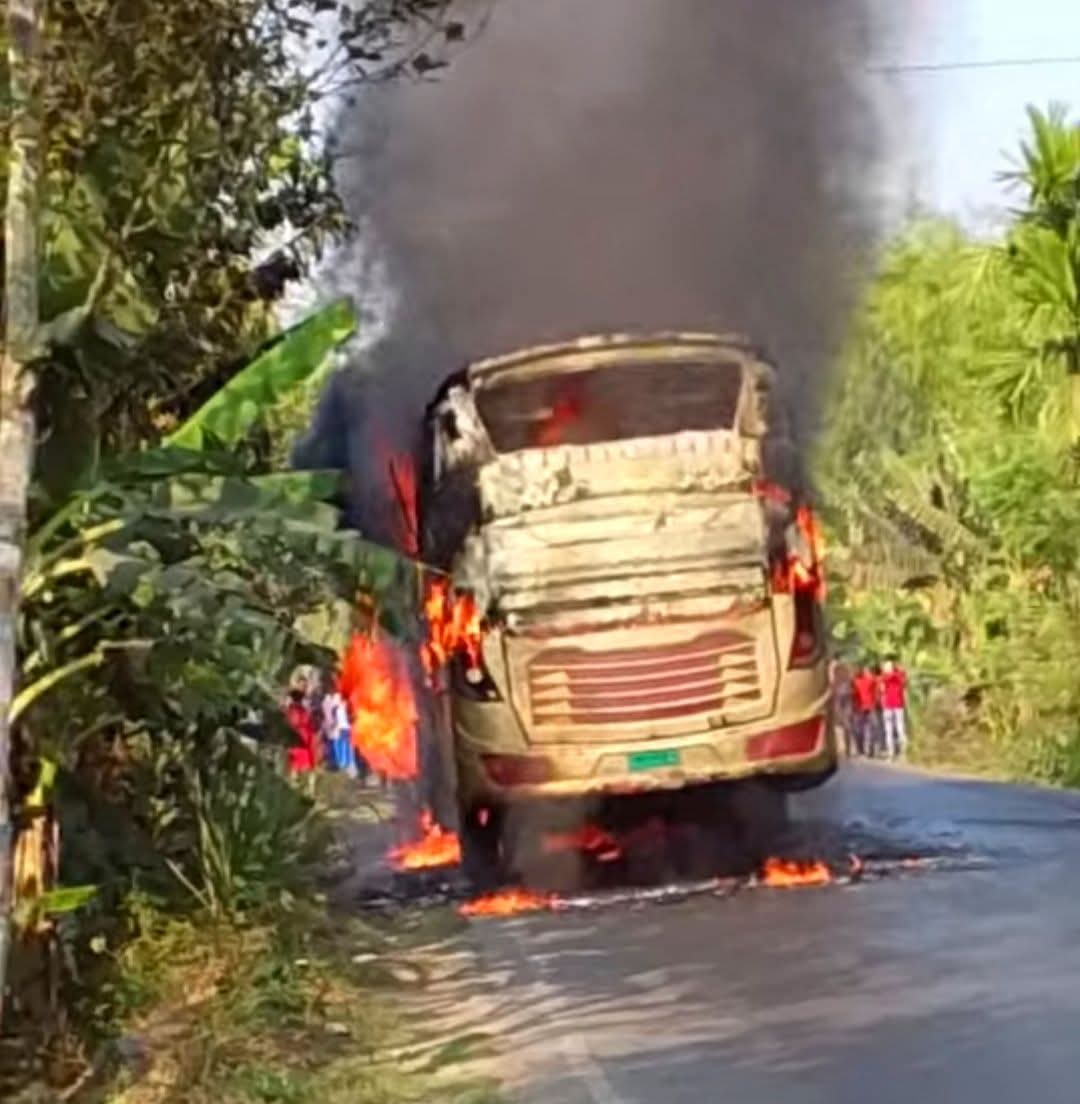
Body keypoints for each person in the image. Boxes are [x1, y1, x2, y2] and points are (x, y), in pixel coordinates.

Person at [878, 657, 908, 760]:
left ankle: (891, 753)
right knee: (900, 728)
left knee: (889, 730)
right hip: (898, 704)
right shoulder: (900, 675)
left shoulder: (883, 677)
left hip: (888, 705)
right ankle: (904, 752)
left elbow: (882, 691)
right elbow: (904, 684)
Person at [850, 662, 879, 758]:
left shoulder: (858, 681)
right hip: (863, 707)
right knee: (864, 729)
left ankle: (866, 750)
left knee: (868, 729)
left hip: (867, 707)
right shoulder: (858, 681)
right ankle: (864, 750)